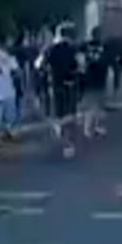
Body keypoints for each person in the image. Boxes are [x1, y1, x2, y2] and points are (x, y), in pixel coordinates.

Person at [37, 23, 82, 158]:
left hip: (56, 85)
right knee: (70, 114)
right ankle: (70, 144)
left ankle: (64, 138)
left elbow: (38, 65)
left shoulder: (49, 49)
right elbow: (81, 65)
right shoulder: (75, 49)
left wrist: (46, 73)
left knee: (59, 114)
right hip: (71, 84)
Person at [0, 39, 21, 141]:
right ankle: (8, 132)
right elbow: (17, 73)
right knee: (9, 116)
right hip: (8, 92)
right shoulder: (10, 58)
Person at [80, 28, 109, 138]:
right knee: (93, 104)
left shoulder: (86, 45)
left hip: (94, 77)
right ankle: (88, 128)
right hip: (95, 77)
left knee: (97, 104)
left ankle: (95, 127)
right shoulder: (99, 46)